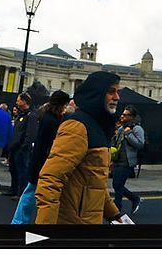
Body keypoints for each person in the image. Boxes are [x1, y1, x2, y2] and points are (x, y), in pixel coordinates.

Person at [35, 71, 126, 224]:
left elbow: (93, 181)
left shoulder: (97, 126)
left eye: (117, 92)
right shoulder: (77, 126)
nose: (117, 97)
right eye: (111, 92)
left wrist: (113, 214)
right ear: (97, 94)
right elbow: (50, 181)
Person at [11, 90, 70, 225]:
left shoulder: (46, 116)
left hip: (37, 160)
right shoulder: (51, 120)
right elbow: (48, 144)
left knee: (30, 192)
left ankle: (19, 221)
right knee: (30, 193)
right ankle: (18, 222)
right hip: (42, 162)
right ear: (60, 105)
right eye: (65, 106)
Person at [111, 105, 145, 211]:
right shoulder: (121, 128)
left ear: (132, 116)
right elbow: (116, 144)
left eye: (125, 115)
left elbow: (140, 144)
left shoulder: (137, 128)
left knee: (118, 184)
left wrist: (129, 134)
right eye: (122, 114)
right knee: (116, 184)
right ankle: (134, 198)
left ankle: (117, 208)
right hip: (117, 160)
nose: (122, 116)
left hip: (127, 162)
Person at [7, 91, 38, 197]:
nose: (16, 102)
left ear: (24, 102)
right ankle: (13, 189)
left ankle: (21, 192)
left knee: (21, 170)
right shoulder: (21, 114)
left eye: (18, 100)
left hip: (21, 148)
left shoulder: (31, 115)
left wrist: (25, 146)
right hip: (14, 147)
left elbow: (30, 133)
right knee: (13, 169)